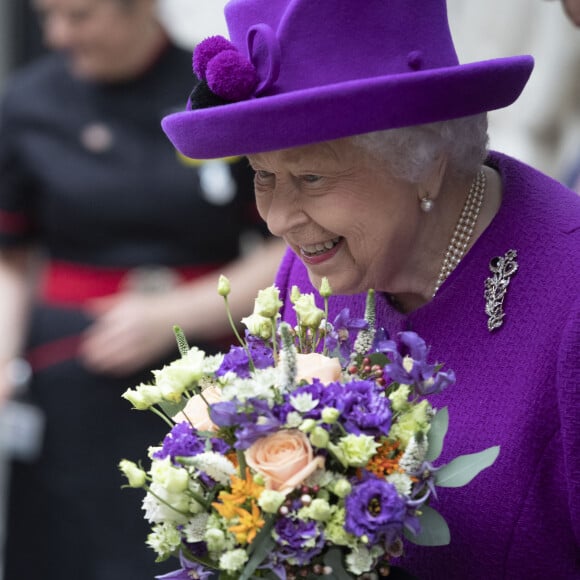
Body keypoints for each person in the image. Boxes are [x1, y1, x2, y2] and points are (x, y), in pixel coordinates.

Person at [160, 0, 580, 578]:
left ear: (426, 160)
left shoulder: (569, 298)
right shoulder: (317, 273)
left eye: (311, 177)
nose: (279, 218)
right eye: (263, 175)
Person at [0, 0, 284, 578]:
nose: (58, 35)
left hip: (203, 371)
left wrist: (173, 313)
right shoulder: (24, 104)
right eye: (47, 16)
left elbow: (290, 244)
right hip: (69, 378)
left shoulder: (217, 92)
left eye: (79, 16)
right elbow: (11, 259)